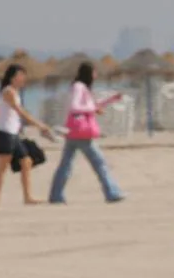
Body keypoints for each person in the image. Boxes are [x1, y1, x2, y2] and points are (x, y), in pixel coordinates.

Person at [48, 62, 125, 204]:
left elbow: (90, 105)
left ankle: (56, 195)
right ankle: (112, 192)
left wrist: (111, 99)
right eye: (94, 72)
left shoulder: (82, 88)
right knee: (99, 162)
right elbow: (75, 106)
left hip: (75, 132)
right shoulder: (79, 87)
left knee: (66, 164)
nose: (96, 75)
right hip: (81, 132)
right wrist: (92, 109)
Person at [0, 64, 53, 206]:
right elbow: (20, 112)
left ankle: (27, 197)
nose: (23, 78)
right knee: (2, 169)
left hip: (14, 134)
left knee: (26, 161)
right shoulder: (8, 92)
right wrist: (40, 125)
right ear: (13, 77)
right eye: (21, 75)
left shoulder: (14, 92)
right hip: (5, 134)